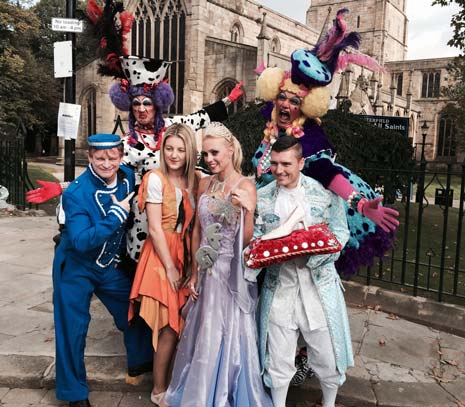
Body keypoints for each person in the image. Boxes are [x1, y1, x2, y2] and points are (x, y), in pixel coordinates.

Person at [164, 122, 273, 407]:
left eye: (214, 153)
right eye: (205, 154)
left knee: (229, 331)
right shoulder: (205, 183)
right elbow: (197, 230)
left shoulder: (245, 185)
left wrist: (248, 210)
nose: (210, 159)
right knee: (205, 332)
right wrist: (194, 272)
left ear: (230, 149)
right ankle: (200, 392)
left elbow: (247, 240)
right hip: (206, 271)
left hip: (230, 272)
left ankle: (225, 392)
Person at [249, 136, 353, 407]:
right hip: (279, 287)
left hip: (319, 287)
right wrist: (264, 250)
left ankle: (328, 403)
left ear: (301, 162)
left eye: (286, 163)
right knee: (278, 357)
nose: (279, 170)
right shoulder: (261, 198)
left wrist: (318, 254)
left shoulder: (325, 193)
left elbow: (341, 231)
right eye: (274, 163)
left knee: (328, 355)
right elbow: (256, 238)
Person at [52, 134, 153, 407]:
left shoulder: (128, 176)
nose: (106, 163)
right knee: (72, 329)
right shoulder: (75, 193)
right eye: (100, 158)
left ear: (121, 157)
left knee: (134, 310)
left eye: (112, 157)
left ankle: (142, 362)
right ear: (90, 158)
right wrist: (115, 216)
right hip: (75, 267)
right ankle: (74, 394)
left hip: (108, 264)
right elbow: (81, 241)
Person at [127, 123, 198, 406]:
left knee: (182, 323)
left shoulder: (194, 181)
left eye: (180, 149)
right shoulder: (156, 179)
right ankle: (158, 389)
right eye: (169, 148)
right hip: (162, 255)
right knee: (169, 325)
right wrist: (170, 267)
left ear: (190, 151)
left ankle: (173, 383)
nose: (174, 154)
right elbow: (155, 228)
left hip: (185, 254)